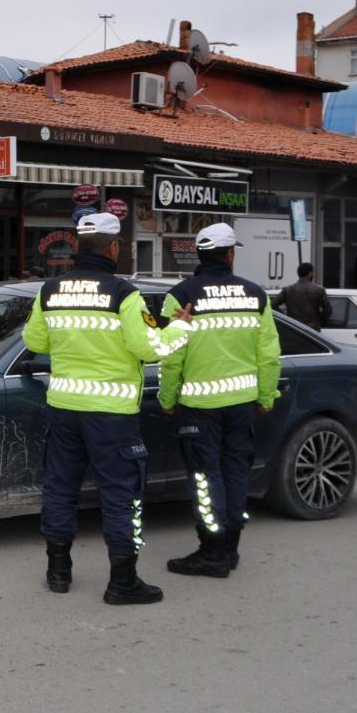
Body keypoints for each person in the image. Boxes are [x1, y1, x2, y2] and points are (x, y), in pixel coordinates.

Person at [22, 212, 193, 605]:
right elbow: (150, 348)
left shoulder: (51, 290)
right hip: (112, 415)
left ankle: (58, 572)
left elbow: (35, 341)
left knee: (60, 489)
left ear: (79, 246)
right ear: (113, 247)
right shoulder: (123, 293)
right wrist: (180, 327)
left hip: (64, 407)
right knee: (121, 495)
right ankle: (123, 581)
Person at [159, 223, 281, 578]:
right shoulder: (255, 295)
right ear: (230, 255)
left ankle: (212, 553)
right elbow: (269, 353)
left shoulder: (181, 295)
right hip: (242, 404)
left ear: (200, 254)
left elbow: (171, 356)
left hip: (199, 408)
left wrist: (167, 398)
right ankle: (229, 550)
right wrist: (266, 396)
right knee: (235, 474)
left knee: (205, 479)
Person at [272, 263, 332, 330]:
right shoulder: (319, 290)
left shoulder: (288, 290)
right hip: (312, 329)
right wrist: (319, 320)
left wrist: (285, 318)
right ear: (310, 273)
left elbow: (273, 304)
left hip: (294, 327)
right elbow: (328, 311)